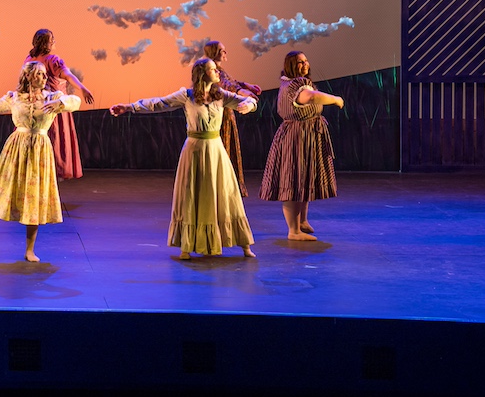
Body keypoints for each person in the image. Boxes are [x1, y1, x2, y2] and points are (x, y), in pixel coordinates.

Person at [110, 57, 257, 260]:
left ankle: (244, 245)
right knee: (192, 196)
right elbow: (158, 104)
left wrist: (249, 105)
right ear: (202, 73)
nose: (217, 72)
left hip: (216, 151)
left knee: (225, 194)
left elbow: (248, 101)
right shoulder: (187, 96)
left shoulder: (220, 95)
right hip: (194, 150)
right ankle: (186, 246)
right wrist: (129, 107)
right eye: (213, 69)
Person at [0, 61, 80, 262]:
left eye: (45, 74)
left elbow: (75, 101)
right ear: (27, 76)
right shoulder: (14, 98)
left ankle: (29, 249)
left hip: (40, 152)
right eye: (39, 74)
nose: (44, 78)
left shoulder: (53, 97)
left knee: (33, 198)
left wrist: (60, 104)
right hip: (16, 149)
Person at [259, 51, 342, 241]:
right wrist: (335, 99)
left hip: (308, 135)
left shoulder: (299, 82)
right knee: (293, 180)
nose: (304, 64)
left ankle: (302, 221)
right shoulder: (295, 85)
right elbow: (310, 97)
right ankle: (293, 230)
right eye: (299, 62)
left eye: (305, 61)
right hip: (297, 136)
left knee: (304, 179)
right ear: (290, 65)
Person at [25, 29, 94, 180]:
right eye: (52, 39)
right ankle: (54, 172)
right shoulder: (52, 59)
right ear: (47, 43)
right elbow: (68, 75)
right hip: (53, 108)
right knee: (54, 139)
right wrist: (82, 88)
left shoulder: (28, 60)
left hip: (33, 108)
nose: (54, 42)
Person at [202, 41, 260, 196]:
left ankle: (227, 190)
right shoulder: (211, 70)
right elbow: (228, 86)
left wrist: (246, 85)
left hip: (226, 115)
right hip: (219, 119)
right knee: (222, 153)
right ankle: (221, 191)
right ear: (214, 52)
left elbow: (231, 82)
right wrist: (244, 93)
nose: (225, 53)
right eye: (222, 50)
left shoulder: (219, 69)